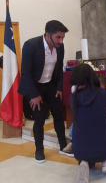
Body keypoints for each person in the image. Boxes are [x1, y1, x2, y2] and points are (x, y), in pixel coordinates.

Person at [18, 20, 72, 163]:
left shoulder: (60, 47)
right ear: (48, 35)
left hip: (51, 85)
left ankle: (63, 146)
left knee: (58, 115)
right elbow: (25, 73)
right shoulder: (31, 45)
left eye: (62, 38)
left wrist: (59, 88)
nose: (61, 41)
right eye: (58, 37)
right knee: (40, 118)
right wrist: (34, 94)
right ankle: (39, 150)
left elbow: (59, 69)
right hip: (35, 87)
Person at [70, 63, 106, 183]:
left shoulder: (73, 97)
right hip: (104, 147)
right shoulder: (105, 95)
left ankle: (84, 162)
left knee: (85, 142)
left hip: (79, 149)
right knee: (105, 132)